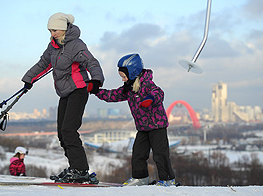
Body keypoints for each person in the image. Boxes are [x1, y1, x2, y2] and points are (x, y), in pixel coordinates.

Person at [21, 12, 104, 183]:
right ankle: (75, 167)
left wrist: (96, 80)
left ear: (64, 28)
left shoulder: (76, 45)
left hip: (79, 89)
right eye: (50, 30)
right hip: (65, 92)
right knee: (61, 133)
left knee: (69, 130)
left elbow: (91, 62)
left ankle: (81, 170)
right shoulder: (53, 46)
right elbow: (43, 63)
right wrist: (29, 79)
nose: (52, 34)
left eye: (55, 30)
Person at [93, 53, 176, 186]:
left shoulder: (147, 84)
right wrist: (96, 91)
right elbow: (112, 95)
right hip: (143, 128)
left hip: (157, 127)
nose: (122, 80)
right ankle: (140, 178)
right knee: (138, 153)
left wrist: (150, 99)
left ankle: (167, 180)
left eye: (123, 76)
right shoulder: (129, 88)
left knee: (160, 155)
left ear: (133, 73)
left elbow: (159, 93)